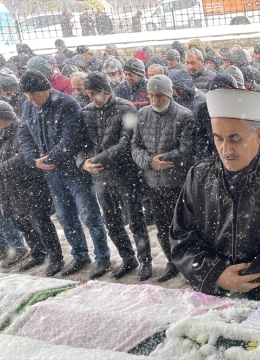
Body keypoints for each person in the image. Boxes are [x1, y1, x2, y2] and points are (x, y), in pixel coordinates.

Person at [170, 87, 260, 306]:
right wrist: (217, 274)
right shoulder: (199, 175)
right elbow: (181, 238)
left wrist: (247, 276)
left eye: (235, 138)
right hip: (218, 298)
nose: (225, 149)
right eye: (218, 138)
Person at [18, 70, 112, 279]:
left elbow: (70, 140)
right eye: (27, 95)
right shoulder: (28, 106)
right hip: (51, 174)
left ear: (46, 89)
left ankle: (102, 256)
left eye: (34, 94)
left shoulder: (66, 104)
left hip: (73, 171)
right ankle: (79, 255)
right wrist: (34, 160)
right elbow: (23, 134)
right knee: (65, 217)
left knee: (89, 215)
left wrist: (49, 159)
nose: (31, 99)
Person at [76, 73, 153, 281]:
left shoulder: (126, 108)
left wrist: (98, 158)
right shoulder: (86, 113)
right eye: (88, 93)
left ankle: (145, 260)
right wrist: (83, 162)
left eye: (95, 93)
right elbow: (81, 144)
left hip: (124, 174)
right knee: (111, 220)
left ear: (105, 91)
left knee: (135, 219)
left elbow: (126, 143)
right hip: (99, 177)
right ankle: (128, 258)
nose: (91, 97)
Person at [131, 75, 195, 282]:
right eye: (150, 95)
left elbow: (186, 149)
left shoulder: (184, 116)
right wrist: (150, 162)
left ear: (168, 94)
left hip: (177, 183)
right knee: (162, 226)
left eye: (159, 95)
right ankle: (172, 261)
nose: (154, 100)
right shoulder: (142, 115)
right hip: (153, 182)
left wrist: (163, 160)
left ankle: (189, 263)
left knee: (183, 227)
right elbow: (135, 146)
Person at [0, 100, 61, 273]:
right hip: (7, 190)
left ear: (5, 117)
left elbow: (24, 158)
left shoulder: (23, 130)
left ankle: (56, 258)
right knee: (22, 224)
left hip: (29, 188)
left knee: (40, 224)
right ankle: (37, 254)